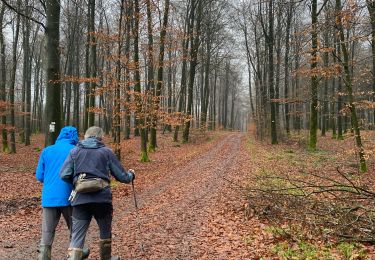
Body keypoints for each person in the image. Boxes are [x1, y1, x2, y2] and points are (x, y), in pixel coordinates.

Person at [60, 126, 135, 260]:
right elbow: (122, 177)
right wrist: (131, 175)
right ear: (101, 137)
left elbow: (64, 175)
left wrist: (77, 183)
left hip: (80, 199)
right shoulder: (106, 152)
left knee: (77, 235)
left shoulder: (74, 152)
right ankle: (106, 258)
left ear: (86, 137)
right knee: (105, 231)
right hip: (102, 200)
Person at [36, 126, 89, 260]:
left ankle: (43, 256)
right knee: (75, 229)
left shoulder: (47, 151)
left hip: (49, 197)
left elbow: (39, 176)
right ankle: (75, 254)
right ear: (74, 136)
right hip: (70, 196)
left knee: (47, 231)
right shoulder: (76, 151)